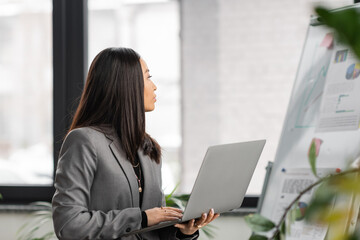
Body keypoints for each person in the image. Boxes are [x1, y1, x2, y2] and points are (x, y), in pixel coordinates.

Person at [52, 47, 219, 240]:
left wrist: (184, 232)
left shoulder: (148, 148)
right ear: (126, 85)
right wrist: (141, 218)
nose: (154, 86)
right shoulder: (84, 141)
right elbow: (68, 224)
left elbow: (155, 227)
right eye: (148, 78)